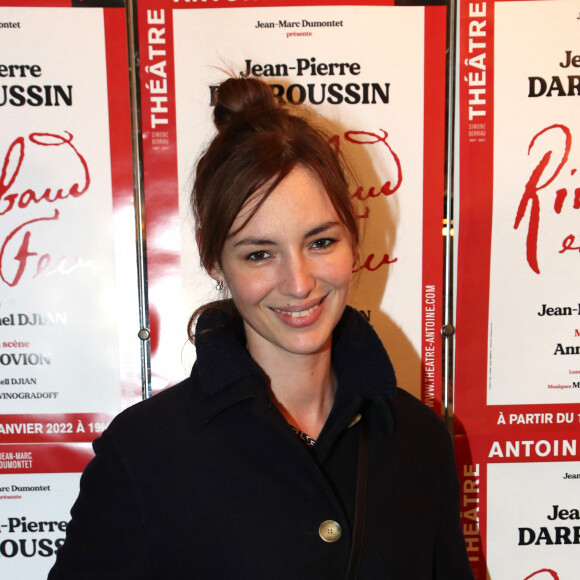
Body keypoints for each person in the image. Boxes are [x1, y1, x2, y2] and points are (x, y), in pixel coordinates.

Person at [48, 77, 474, 579]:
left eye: (320, 242)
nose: (298, 283)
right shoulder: (144, 455)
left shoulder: (418, 441)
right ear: (214, 260)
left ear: (354, 238)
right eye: (259, 253)